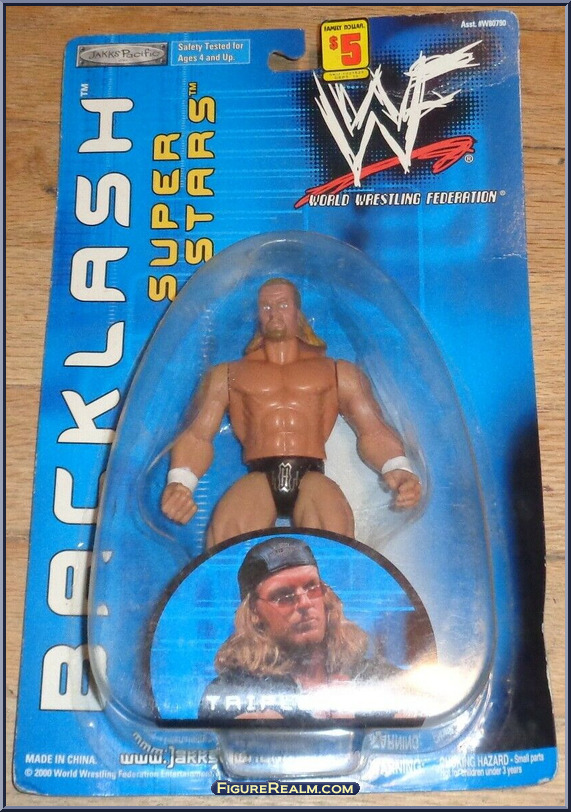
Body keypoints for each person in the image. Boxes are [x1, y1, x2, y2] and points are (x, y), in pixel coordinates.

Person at [162, 277, 421, 548]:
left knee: (334, 538)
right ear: (257, 315)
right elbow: (197, 435)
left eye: (282, 304)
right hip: (259, 476)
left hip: (311, 476)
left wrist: (398, 469)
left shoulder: (336, 373)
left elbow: (373, 429)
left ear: (298, 313)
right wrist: (180, 483)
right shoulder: (227, 376)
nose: (274, 313)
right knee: (227, 543)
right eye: (266, 306)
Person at [198, 538, 376, 721]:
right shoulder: (233, 692)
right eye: (284, 596)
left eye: (312, 588)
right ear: (254, 611)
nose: (304, 603)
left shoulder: (368, 677)